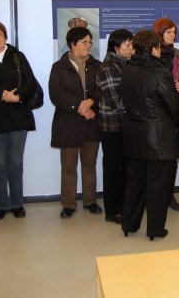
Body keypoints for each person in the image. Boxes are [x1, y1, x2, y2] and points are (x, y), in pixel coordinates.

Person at [121, 30, 179, 240]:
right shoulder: (159, 72)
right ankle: (155, 230)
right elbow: (175, 106)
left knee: (134, 183)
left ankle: (129, 225)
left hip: (133, 135)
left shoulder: (127, 69)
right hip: (158, 138)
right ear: (154, 48)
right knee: (158, 186)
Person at [0, 21, 36, 221]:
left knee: (15, 164)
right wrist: (0, 95)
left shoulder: (17, 56)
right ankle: (1, 205)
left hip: (18, 117)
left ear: (5, 37)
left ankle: (17, 204)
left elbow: (31, 83)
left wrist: (18, 97)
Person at [49, 26, 102, 219]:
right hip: (68, 124)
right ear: (72, 43)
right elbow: (56, 94)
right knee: (69, 167)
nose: (88, 45)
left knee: (89, 165)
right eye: (84, 42)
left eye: (89, 42)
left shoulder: (97, 65)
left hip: (91, 122)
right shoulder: (59, 67)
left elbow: (102, 90)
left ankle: (90, 201)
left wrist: (91, 102)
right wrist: (80, 106)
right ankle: (69, 204)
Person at [96, 29, 134, 225]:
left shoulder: (125, 63)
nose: (132, 48)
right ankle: (112, 210)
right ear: (117, 48)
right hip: (112, 127)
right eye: (128, 45)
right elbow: (115, 102)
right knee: (113, 169)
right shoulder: (108, 68)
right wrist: (137, 110)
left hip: (125, 125)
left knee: (125, 168)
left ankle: (124, 206)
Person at [153, 17, 179, 211]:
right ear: (159, 33)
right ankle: (155, 195)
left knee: (173, 155)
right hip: (156, 112)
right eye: (169, 32)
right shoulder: (152, 53)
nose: (173, 35)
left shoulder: (178, 54)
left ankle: (169, 195)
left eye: (174, 32)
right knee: (156, 157)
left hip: (175, 112)